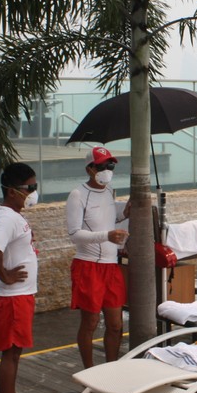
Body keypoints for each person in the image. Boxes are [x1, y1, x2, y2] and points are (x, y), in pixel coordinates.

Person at [0, 162, 42, 393]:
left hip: (21, 295)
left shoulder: (14, 215)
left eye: (35, 186)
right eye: (29, 188)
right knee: (10, 353)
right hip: (11, 297)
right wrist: (6, 276)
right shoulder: (7, 217)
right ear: (12, 191)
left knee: (16, 351)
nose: (33, 191)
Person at [66, 146, 130, 368]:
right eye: (102, 166)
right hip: (88, 265)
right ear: (90, 169)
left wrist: (124, 214)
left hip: (111, 266)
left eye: (110, 165)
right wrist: (107, 235)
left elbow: (108, 220)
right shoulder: (77, 194)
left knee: (115, 324)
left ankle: (111, 368)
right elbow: (74, 234)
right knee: (90, 322)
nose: (107, 169)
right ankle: (89, 371)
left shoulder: (110, 191)